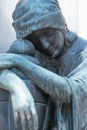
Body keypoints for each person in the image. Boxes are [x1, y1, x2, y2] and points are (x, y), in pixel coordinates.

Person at [0, 0, 87, 130]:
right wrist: (16, 87)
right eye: (34, 40)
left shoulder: (83, 51)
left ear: (62, 24)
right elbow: (3, 64)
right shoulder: (32, 52)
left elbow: (71, 91)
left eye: (48, 33)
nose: (44, 45)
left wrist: (19, 62)